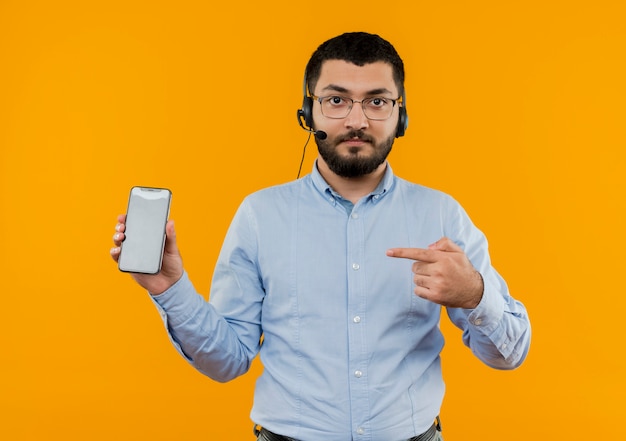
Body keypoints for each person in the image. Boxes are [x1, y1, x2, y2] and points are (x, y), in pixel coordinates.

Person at [110, 32, 531, 441]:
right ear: (307, 112)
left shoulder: (441, 215)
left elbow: (509, 355)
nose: (356, 120)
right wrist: (170, 289)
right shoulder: (260, 215)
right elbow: (227, 361)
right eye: (336, 100)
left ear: (400, 115)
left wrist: (474, 294)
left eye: (377, 102)